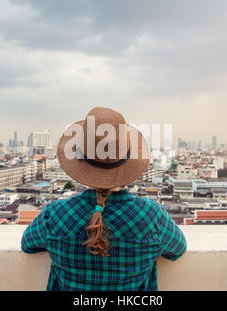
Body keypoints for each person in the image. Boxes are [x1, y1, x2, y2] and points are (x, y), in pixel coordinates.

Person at [21, 107, 186, 290]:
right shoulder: (150, 216)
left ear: (79, 158)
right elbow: (177, 248)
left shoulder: (56, 214)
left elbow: (28, 244)